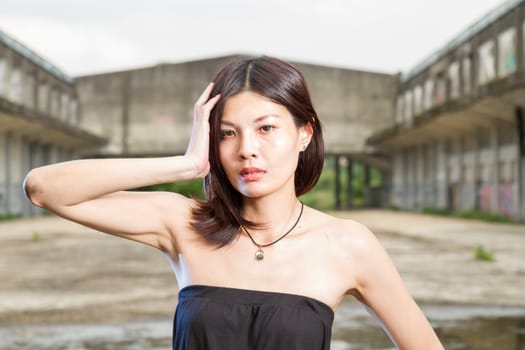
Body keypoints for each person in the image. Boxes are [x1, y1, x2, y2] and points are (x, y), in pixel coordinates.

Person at [24, 56, 444, 350]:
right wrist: (187, 164)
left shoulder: (348, 244)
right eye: (227, 133)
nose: (247, 149)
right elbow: (44, 188)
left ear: (304, 133)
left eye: (266, 128)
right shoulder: (183, 222)